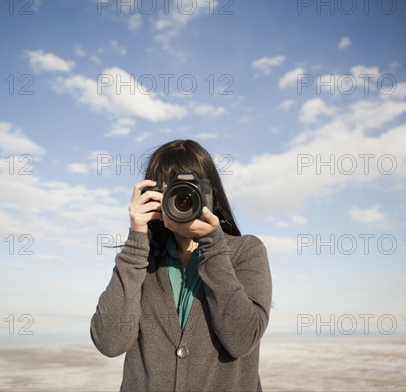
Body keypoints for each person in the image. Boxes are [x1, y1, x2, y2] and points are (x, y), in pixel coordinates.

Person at [90, 139, 272, 392]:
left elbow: (241, 340)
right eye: (172, 191)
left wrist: (213, 244)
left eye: (192, 190)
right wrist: (136, 240)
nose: (183, 199)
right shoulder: (142, 260)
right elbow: (110, 342)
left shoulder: (246, 251)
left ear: (211, 193)